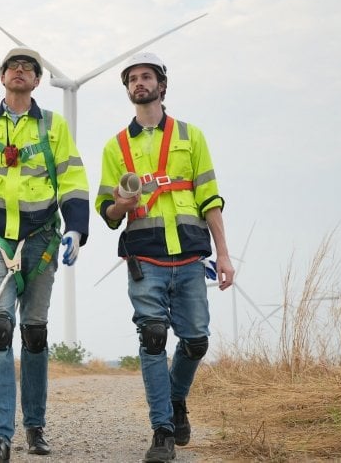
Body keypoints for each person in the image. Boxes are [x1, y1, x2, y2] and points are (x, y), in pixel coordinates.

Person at [94, 52, 235, 463]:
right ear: (127, 91)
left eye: (146, 77)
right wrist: (121, 203)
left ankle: (175, 402)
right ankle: (162, 431)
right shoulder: (115, 146)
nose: (139, 83)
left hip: (190, 255)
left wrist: (223, 254)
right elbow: (107, 212)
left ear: (162, 85)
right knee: (153, 337)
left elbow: (210, 197)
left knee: (195, 340)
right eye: (132, 79)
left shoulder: (192, 137)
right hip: (145, 257)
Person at [0, 46, 89, 462]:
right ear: (2, 77)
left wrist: (77, 229)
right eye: (13, 66)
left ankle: (35, 425)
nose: (20, 71)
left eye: (29, 68)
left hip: (43, 239)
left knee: (33, 333)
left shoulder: (53, 125)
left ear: (37, 81)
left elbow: (71, 176)